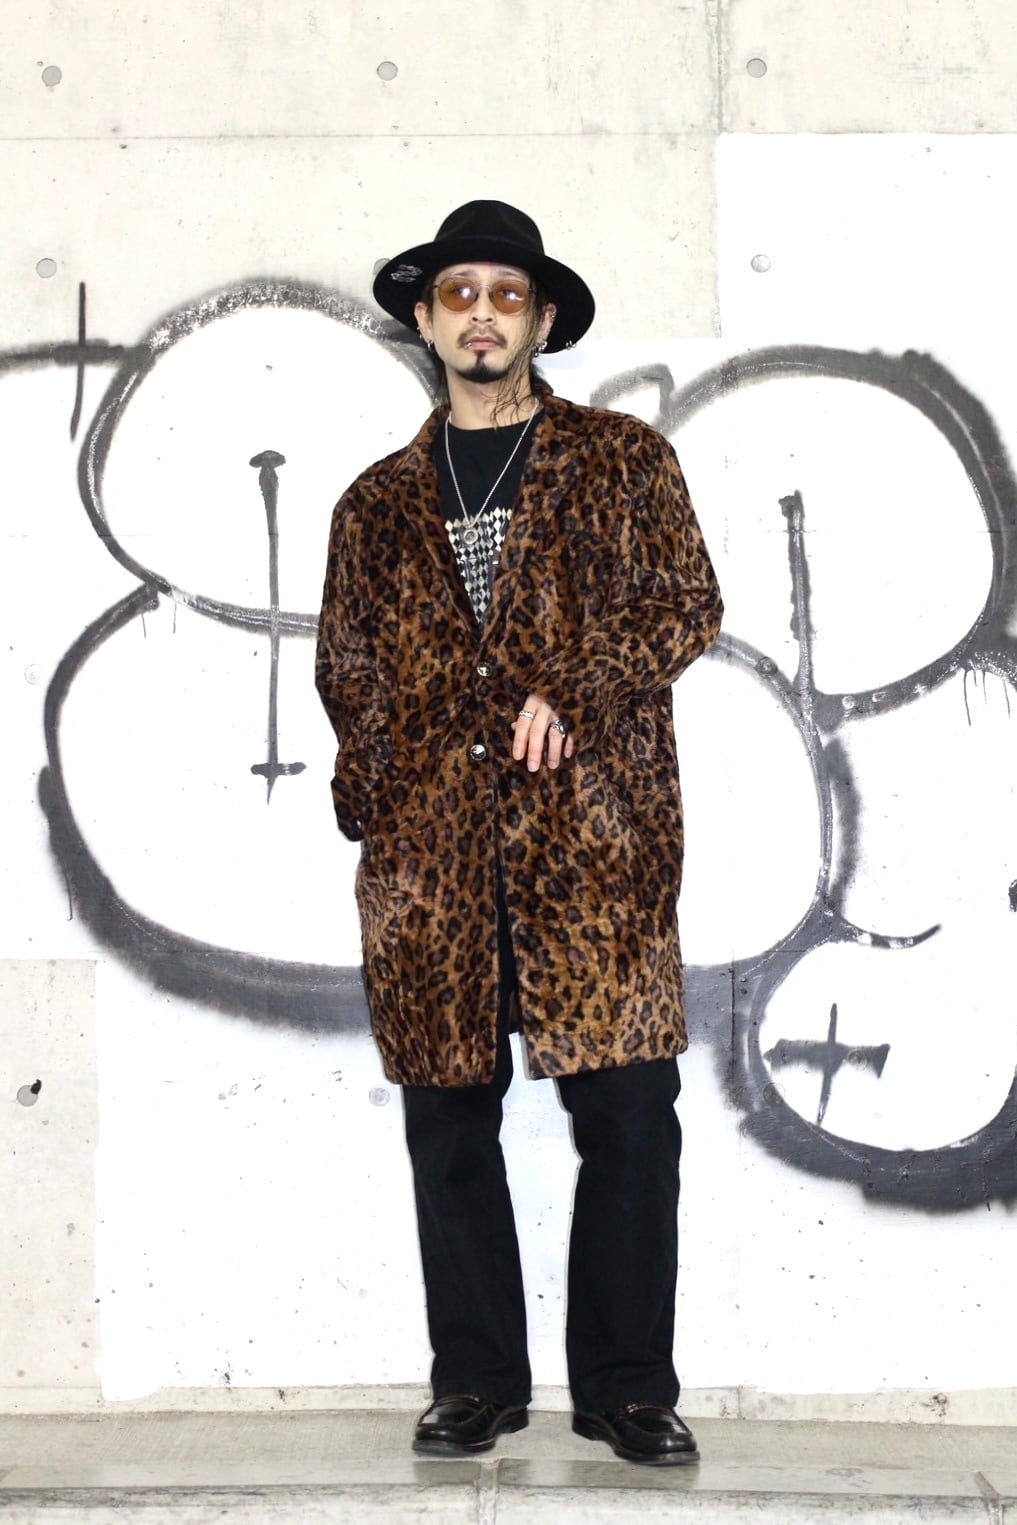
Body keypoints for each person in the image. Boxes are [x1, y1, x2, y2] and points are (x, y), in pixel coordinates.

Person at [315, 201, 722, 1466]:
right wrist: (378, 791)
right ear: (427, 318)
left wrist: (577, 690)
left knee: (631, 1113)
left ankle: (626, 1387)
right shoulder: (376, 502)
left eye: (505, 294)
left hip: (593, 849)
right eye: (459, 294)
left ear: (541, 320)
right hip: (432, 859)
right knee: (448, 1121)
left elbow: (685, 602)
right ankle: (477, 1381)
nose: (481, 315)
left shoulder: (621, 461)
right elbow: (348, 667)